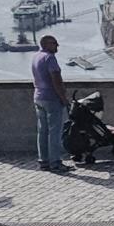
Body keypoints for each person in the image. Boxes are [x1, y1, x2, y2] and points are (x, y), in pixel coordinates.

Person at [30, 33, 69, 173]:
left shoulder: (36, 57)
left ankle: (43, 161)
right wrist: (63, 98)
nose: (57, 45)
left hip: (38, 97)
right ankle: (55, 162)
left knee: (42, 131)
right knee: (55, 132)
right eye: (54, 43)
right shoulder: (50, 58)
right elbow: (56, 79)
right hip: (51, 98)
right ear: (46, 44)